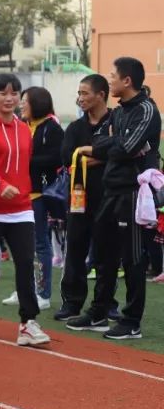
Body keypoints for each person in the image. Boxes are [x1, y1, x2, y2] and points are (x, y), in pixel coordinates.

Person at [72, 57, 161, 339]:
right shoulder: (120, 112)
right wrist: (109, 144)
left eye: (113, 76)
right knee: (103, 254)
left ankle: (131, 320)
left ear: (127, 81)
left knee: (132, 258)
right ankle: (99, 311)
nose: (109, 80)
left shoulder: (146, 109)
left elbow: (126, 147)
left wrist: (103, 146)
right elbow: (114, 143)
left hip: (133, 192)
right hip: (112, 188)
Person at [0, 74, 50, 347]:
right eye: (3, 93)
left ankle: (28, 322)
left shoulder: (24, 128)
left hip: (21, 208)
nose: (9, 98)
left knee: (26, 262)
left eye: (15, 93)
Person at [58, 75, 116, 324]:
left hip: (110, 197)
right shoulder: (75, 128)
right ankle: (72, 303)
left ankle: (106, 304)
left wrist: (93, 156)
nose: (80, 98)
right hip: (78, 199)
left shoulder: (116, 121)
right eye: (79, 93)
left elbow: (120, 150)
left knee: (107, 254)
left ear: (101, 94)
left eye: (85, 93)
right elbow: (67, 158)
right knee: (75, 250)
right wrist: (97, 156)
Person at [6, 87, 63, 310]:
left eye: (25, 101)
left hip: (37, 194)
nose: (21, 105)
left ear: (37, 103)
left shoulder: (51, 127)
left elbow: (56, 157)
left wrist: (25, 161)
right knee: (21, 246)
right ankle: (24, 289)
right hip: (16, 194)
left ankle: (43, 293)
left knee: (41, 244)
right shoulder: (20, 125)